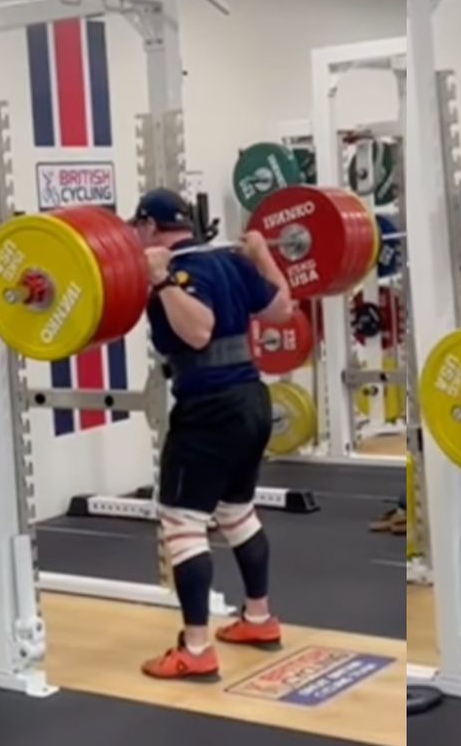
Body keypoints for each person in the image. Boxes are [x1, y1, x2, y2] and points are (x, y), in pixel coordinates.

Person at [130, 188, 296, 681]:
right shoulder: (228, 262)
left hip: (209, 411)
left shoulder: (179, 272)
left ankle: (197, 650)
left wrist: (160, 279)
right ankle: (259, 619)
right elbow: (283, 309)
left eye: (137, 229)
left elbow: (198, 331)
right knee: (235, 510)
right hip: (251, 402)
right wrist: (264, 258)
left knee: (182, 522)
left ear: (150, 228)